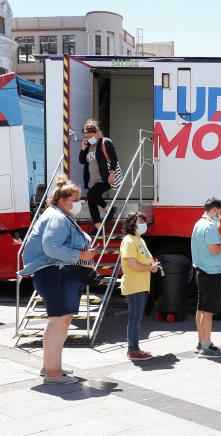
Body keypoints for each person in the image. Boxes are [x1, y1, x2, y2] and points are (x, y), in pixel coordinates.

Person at [19, 175, 96, 384]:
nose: (78, 203)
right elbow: (51, 246)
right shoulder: (58, 217)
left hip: (56, 273)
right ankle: (53, 373)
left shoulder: (60, 215)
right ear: (62, 200)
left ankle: (50, 367)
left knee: (60, 319)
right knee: (60, 319)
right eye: (74, 199)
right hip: (56, 273)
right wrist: (80, 256)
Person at [191, 197, 221, 358]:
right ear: (214, 210)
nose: (219, 217)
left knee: (201, 309)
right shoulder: (210, 227)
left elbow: (208, 247)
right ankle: (206, 348)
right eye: (219, 213)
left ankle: (202, 341)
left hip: (200, 271)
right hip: (211, 273)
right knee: (208, 312)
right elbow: (214, 250)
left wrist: (219, 243)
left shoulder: (198, 224)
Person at [120, 212, 159, 361]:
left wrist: (152, 266)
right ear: (131, 223)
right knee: (135, 318)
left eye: (144, 220)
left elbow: (146, 261)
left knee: (137, 317)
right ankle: (132, 349)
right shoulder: (129, 241)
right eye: (140, 220)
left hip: (141, 284)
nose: (144, 223)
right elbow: (132, 263)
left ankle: (135, 348)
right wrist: (149, 268)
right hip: (134, 284)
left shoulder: (139, 240)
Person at [78, 119, 116, 234]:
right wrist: (83, 149)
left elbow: (114, 158)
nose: (88, 138)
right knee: (91, 202)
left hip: (104, 178)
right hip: (92, 180)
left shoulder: (105, 142)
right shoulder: (88, 146)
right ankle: (99, 228)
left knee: (91, 194)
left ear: (97, 133)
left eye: (90, 136)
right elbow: (81, 161)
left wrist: (112, 173)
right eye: (86, 136)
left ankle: (109, 209)